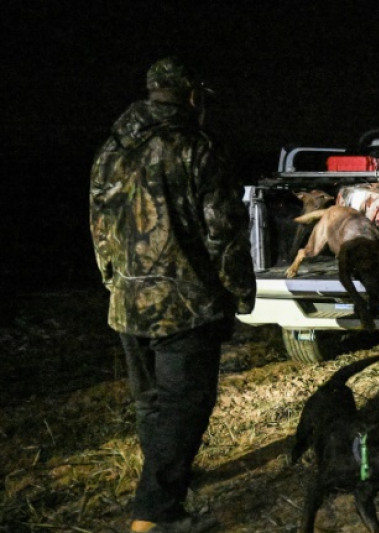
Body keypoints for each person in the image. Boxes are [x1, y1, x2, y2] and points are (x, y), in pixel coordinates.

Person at [90, 57, 255, 533]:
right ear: (189, 96)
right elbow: (221, 233)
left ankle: (165, 478)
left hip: (126, 302)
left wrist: (112, 281)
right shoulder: (197, 148)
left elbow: (99, 223)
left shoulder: (112, 147)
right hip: (185, 306)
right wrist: (241, 291)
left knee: (153, 405)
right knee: (186, 407)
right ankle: (156, 515)